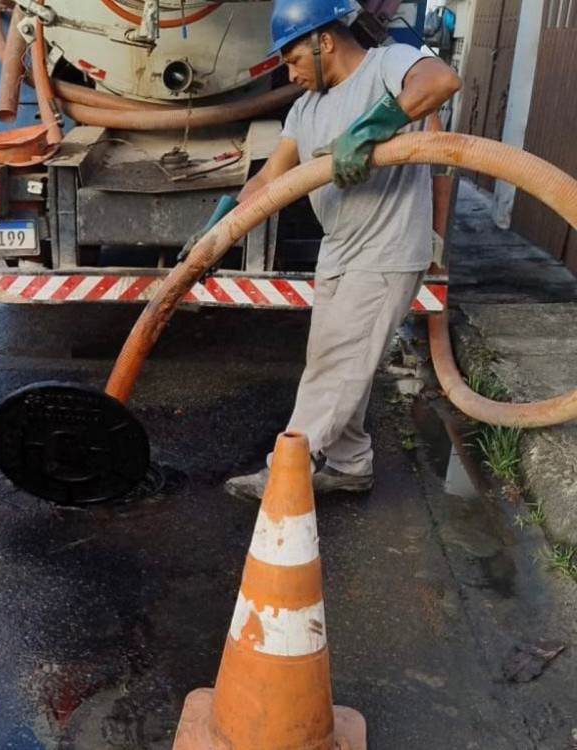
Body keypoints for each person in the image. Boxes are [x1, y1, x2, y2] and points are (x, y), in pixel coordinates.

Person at [186, 0, 462, 501]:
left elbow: (440, 81)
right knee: (336, 361)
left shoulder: (387, 66)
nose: (289, 74)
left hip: (385, 251)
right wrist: (215, 233)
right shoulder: (305, 109)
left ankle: (286, 472)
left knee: (334, 367)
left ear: (325, 41)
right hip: (338, 251)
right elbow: (272, 179)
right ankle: (349, 463)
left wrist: (371, 128)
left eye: (291, 60)